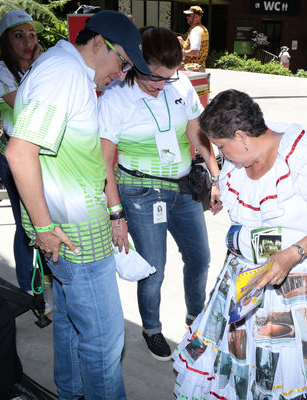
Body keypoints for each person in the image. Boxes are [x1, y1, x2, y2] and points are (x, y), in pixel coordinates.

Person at [171, 89, 307, 399]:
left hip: (301, 283)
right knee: (251, 361)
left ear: (243, 137)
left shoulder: (299, 153)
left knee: (293, 367)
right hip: (250, 279)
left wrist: (291, 255)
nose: (222, 155)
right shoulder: (237, 164)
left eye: (223, 146)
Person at [5, 10, 150, 400]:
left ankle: (70, 393)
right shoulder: (64, 75)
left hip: (69, 231)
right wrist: (43, 227)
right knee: (104, 342)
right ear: (99, 44)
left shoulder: (61, 67)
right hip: (76, 237)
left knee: (70, 324)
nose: (121, 74)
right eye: (122, 62)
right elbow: (20, 153)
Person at [98, 26, 222, 362]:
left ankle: (196, 318)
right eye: (154, 77)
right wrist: (116, 214)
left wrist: (215, 175)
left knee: (200, 257)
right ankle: (152, 329)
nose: (161, 85)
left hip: (183, 187)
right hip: (141, 192)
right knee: (154, 267)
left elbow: (196, 132)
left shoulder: (179, 84)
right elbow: (105, 162)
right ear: (137, 62)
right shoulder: (115, 99)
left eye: (169, 77)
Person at [0, 10, 43, 294]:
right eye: (18, 35)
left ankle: (45, 275)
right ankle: (28, 288)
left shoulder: (41, 66)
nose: (27, 42)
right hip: (14, 155)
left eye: (32, 35)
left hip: (43, 155)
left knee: (45, 218)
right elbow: (26, 104)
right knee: (26, 223)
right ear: (5, 40)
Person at [177, 6, 209, 71]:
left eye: (189, 15)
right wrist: (182, 41)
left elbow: (195, 52)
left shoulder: (195, 31)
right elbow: (196, 47)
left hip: (191, 70)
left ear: (196, 17)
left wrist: (179, 53)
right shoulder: (203, 29)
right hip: (199, 69)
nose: (187, 17)